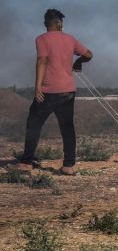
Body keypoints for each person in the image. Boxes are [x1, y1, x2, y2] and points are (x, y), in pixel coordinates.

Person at [18, 9, 93, 175]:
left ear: (46, 24)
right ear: (59, 23)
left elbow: (42, 60)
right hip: (68, 91)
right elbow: (88, 54)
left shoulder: (41, 39)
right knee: (67, 127)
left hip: (48, 91)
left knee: (34, 124)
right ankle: (69, 166)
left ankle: (26, 163)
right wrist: (79, 61)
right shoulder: (70, 39)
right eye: (62, 22)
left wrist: (38, 86)